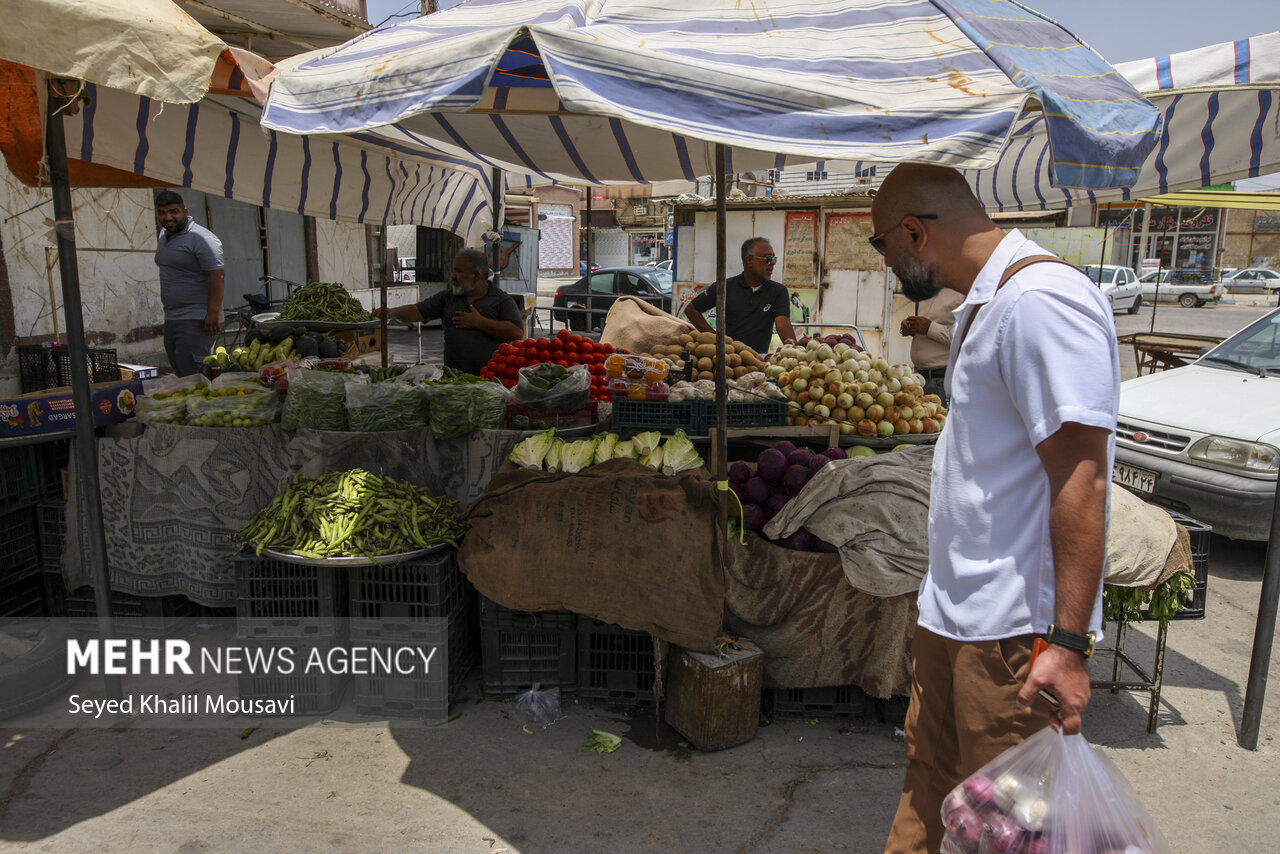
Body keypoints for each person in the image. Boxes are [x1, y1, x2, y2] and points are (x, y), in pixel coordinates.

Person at [874, 164, 1119, 854]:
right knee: (930, 783)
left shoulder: (1041, 302)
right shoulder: (991, 303)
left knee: (1009, 825)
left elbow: (1082, 478)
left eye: (884, 248)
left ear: (915, 233)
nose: (890, 267)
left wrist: (1067, 646)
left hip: (1015, 632)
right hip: (955, 613)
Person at [375, 248, 524, 375]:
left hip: (490, 377)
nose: (452, 275)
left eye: (458, 271)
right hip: (454, 377)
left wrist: (479, 322)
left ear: (477, 275)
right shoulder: (448, 297)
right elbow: (417, 311)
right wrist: (392, 312)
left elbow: (517, 332)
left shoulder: (501, 300)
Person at [153, 190, 225, 376]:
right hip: (173, 317)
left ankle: (203, 406)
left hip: (196, 317)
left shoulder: (201, 238)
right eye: (162, 212)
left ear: (185, 211)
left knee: (194, 374)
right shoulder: (164, 234)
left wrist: (212, 312)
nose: (168, 217)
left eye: (173, 211)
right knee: (181, 373)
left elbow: (217, 276)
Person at [685, 237, 796, 355]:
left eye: (774, 258)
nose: (773, 263)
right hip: (728, 361)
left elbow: (783, 324)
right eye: (768, 258)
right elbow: (691, 310)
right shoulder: (724, 287)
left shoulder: (778, 291)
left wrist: (796, 352)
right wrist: (715, 339)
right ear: (749, 260)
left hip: (757, 361)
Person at [897, 288, 963, 406]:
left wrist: (929, 328)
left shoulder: (962, 293)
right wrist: (910, 328)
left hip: (942, 380)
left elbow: (965, 339)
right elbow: (924, 326)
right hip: (919, 378)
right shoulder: (926, 288)